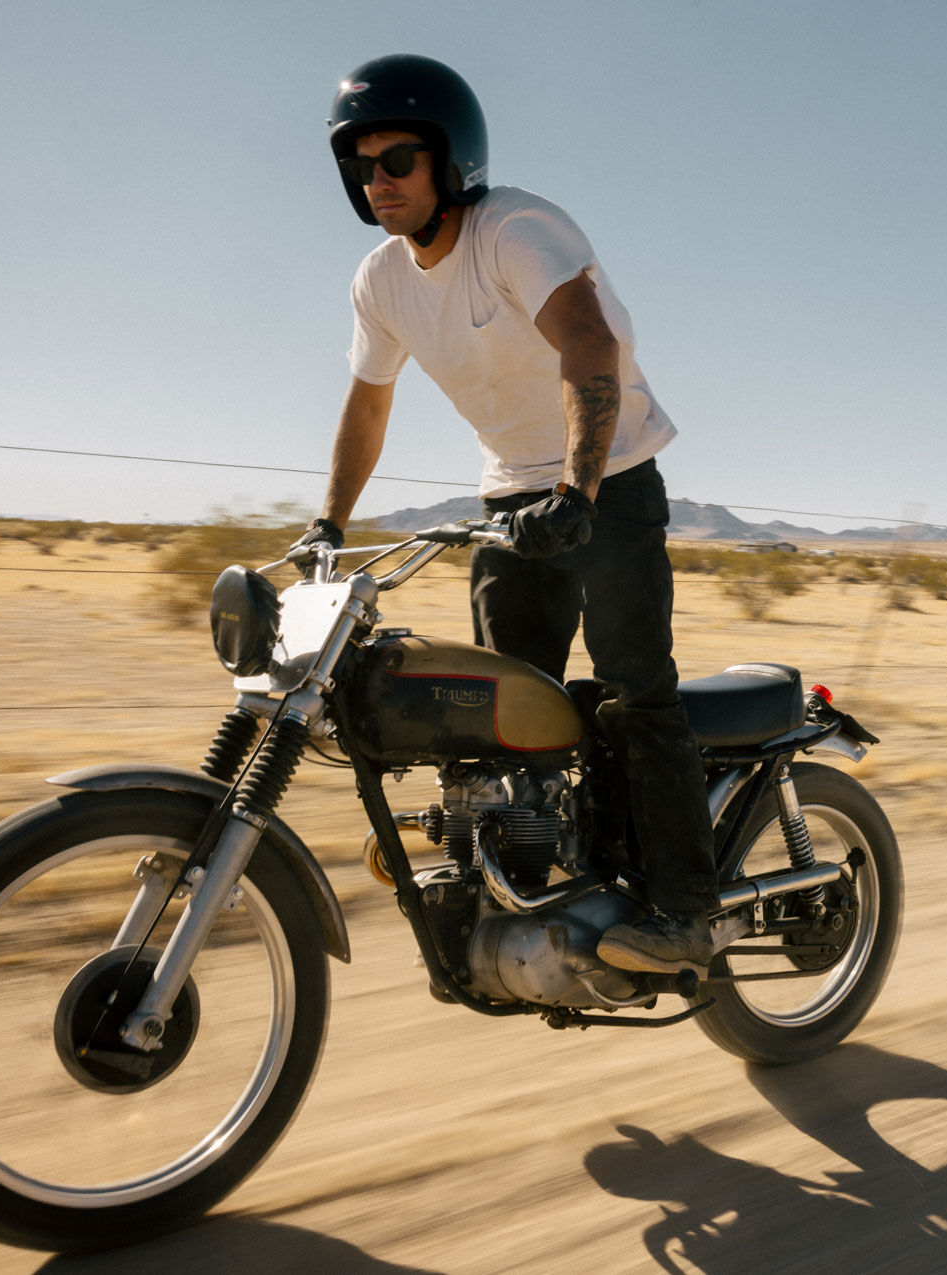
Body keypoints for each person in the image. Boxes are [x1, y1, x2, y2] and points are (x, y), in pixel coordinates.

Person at [294, 54, 720, 973]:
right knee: (507, 705)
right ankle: (538, 866)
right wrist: (328, 525)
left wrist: (578, 493)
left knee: (634, 691)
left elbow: (588, 342)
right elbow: (368, 402)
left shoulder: (515, 230)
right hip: (510, 496)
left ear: (452, 161)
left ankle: (686, 910)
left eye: (398, 160)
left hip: (610, 477)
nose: (377, 181)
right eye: (361, 166)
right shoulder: (380, 280)